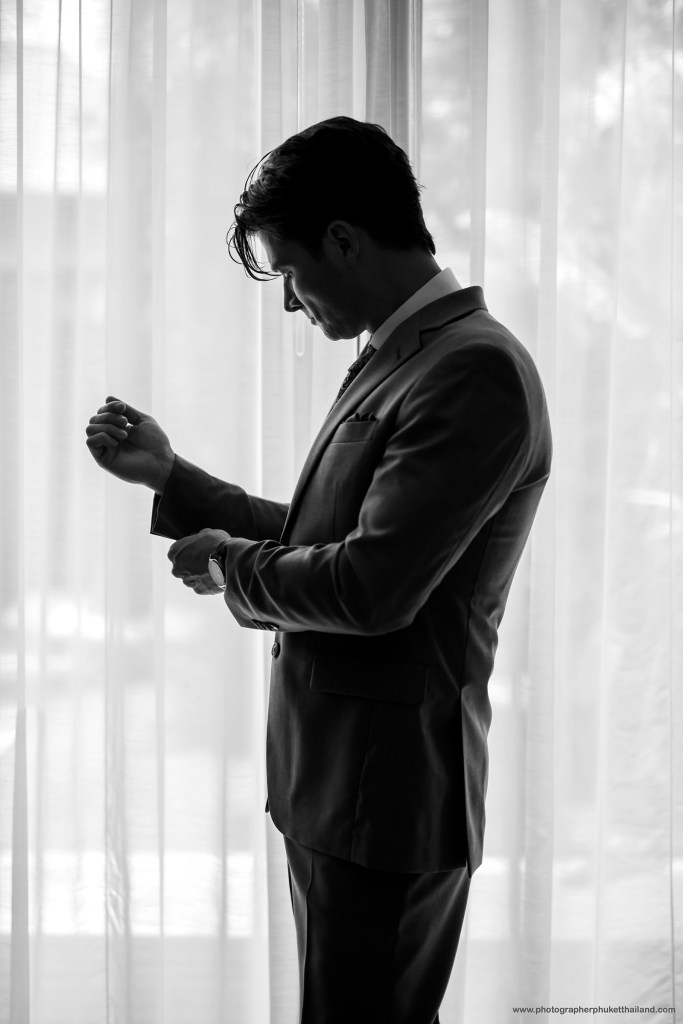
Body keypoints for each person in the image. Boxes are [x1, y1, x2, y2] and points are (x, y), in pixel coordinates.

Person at [86, 116, 552, 1024]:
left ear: (344, 240)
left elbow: (369, 589)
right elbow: (319, 537)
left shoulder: (473, 369)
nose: (293, 305)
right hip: (339, 791)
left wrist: (229, 567)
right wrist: (172, 478)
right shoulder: (400, 357)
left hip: (388, 804)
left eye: (291, 273)